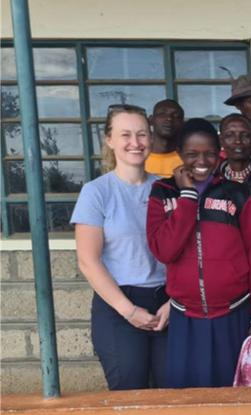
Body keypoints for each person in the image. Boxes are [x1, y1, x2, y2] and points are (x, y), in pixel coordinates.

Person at [147, 118, 251, 388]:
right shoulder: (162, 192)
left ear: (219, 152)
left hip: (233, 314)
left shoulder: (236, 193)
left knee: (233, 396)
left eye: (210, 153)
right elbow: (165, 250)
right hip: (185, 317)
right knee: (189, 398)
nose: (202, 160)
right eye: (192, 154)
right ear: (179, 154)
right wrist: (188, 197)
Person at [72, 104, 169, 390]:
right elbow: (88, 261)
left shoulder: (166, 189)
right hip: (119, 305)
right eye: (125, 134)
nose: (135, 143)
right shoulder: (96, 192)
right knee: (130, 391)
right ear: (110, 140)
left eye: (142, 134)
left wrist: (173, 303)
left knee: (173, 394)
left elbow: (184, 252)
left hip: (167, 303)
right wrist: (129, 311)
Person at [145, 99, 185, 177]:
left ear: (182, 123)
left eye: (176, 116)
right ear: (151, 120)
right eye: (162, 114)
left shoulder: (188, 160)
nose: (169, 118)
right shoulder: (137, 158)